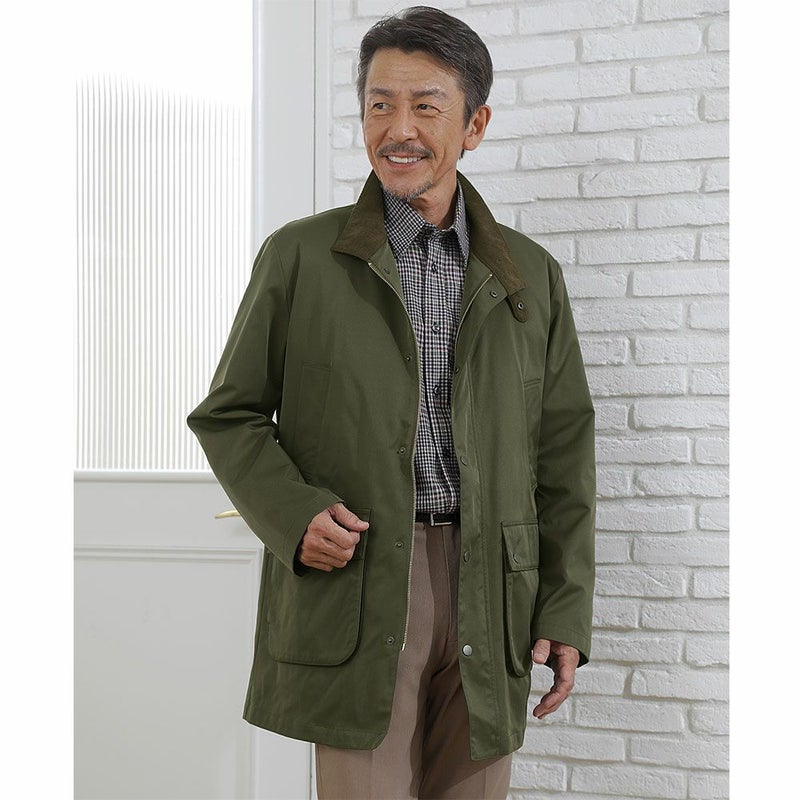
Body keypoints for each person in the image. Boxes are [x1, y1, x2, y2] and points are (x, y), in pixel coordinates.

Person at [187, 6, 595, 799]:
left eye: (425, 106)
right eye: (380, 104)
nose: (398, 129)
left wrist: (565, 607)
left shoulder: (531, 276)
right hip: (363, 575)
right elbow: (228, 414)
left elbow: (564, 454)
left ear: (474, 125)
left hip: (493, 588)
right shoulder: (301, 257)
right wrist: (293, 512)